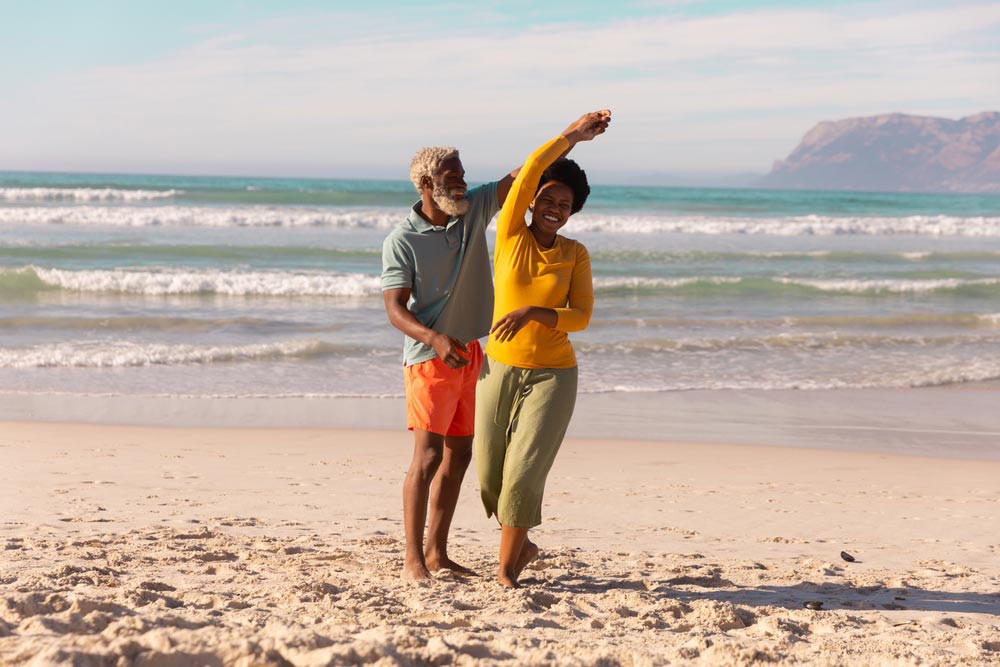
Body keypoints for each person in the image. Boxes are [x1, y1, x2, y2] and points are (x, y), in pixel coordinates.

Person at [475, 110, 611, 588]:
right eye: (548, 199)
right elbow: (533, 166)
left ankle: (506, 569)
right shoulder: (511, 234)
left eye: (565, 204)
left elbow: (582, 316)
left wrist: (535, 312)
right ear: (530, 202)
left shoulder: (576, 254)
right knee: (490, 475)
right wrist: (573, 136)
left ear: (574, 211)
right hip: (498, 367)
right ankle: (524, 546)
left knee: (523, 475)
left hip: (554, 374)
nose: (555, 207)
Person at [381, 145, 519, 580]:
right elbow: (395, 308)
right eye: (451, 175)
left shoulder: (471, 211)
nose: (461, 181)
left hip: (470, 353)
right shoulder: (401, 240)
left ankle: (437, 553)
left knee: (459, 455)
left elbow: (520, 177)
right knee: (426, 457)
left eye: (462, 173)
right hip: (429, 359)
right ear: (426, 184)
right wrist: (435, 338)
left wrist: (572, 135)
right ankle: (412, 560)